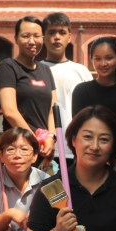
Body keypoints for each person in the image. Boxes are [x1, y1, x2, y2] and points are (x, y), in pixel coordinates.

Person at [72, 36, 116, 169]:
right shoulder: (81, 91)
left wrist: (110, 153)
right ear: (91, 60)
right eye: (98, 58)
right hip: (88, 154)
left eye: (109, 58)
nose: (103, 63)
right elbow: (78, 127)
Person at [0, 16, 57, 160]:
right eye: (25, 36)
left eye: (36, 36)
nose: (31, 41)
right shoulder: (8, 67)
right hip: (18, 148)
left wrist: (50, 137)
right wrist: (33, 141)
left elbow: (52, 112)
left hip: (43, 149)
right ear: (16, 38)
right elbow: (10, 111)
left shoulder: (46, 70)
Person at [41, 12, 92, 144]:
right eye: (51, 32)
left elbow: (90, 112)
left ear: (69, 37)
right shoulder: (35, 70)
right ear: (43, 37)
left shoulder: (82, 72)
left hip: (75, 145)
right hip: (43, 145)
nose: (57, 37)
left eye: (62, 33)